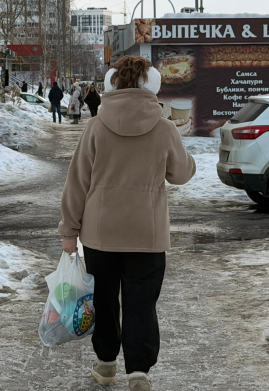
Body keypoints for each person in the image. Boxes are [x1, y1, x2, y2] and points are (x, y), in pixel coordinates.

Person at [59, 56, 196, 391]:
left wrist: (68, 232)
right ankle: (139, 372)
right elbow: (181, 174)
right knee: (141, 304)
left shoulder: (95, 126)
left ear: (112, 83)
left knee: (104, 301)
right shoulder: (164, 127)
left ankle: (106, 365)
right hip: (146, 235)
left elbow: (77, 182)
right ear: (152, 84)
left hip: (99, 234)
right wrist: (182, 145)